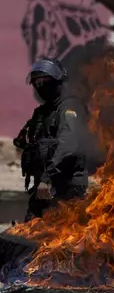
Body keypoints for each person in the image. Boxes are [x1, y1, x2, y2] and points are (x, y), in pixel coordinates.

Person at [14, 59, 88, 222]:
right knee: (30, 234)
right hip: (43, 187)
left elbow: (69, 145)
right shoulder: (42, 112)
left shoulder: (69, 107)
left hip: (66, 189)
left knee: (61, 241)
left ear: (58, 81)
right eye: (37, 82)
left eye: (45, 81)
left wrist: (48, 177)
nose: (41, 86)